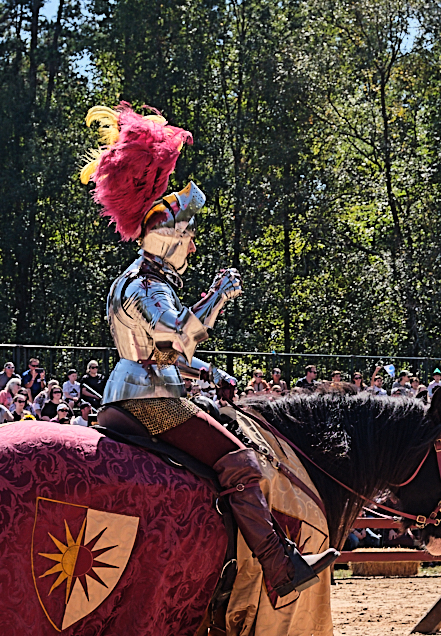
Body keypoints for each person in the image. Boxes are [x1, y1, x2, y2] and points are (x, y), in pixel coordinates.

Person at [80, 102, 337, 600]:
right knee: (240, 461)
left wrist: (209, 373)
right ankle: (279, 566)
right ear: (169, 239)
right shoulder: (149, 285)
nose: (193, 246)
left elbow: (162, 354)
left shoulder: (136, 280)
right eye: (189, 237)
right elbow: (179, 336)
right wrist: (219, 294)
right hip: (150, 403)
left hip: (131, 393)